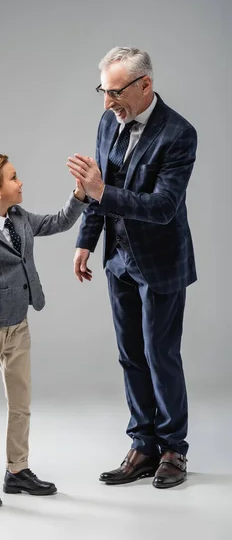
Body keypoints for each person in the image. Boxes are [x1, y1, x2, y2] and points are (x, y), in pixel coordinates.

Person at [67, 47, 197, 489]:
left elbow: (163, 207)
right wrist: (86, 242)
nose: (107, 103)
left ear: (145, 86)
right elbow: (97, 187)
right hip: (118, 260)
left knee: (161, 356)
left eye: (115, 92)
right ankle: (143, 445)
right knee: (131, 356)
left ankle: (173, 450)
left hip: (160, 263)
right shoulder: (109, 122)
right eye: (103, 91)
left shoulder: (179, 134)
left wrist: (100, 191)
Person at [0, 153, 87, 508]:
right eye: (14, 178)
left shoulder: (20, 218)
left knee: (21, 402)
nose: (21, 182)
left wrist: (80, 197)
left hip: (19, 325)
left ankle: (17, 471)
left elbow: (58, 222)